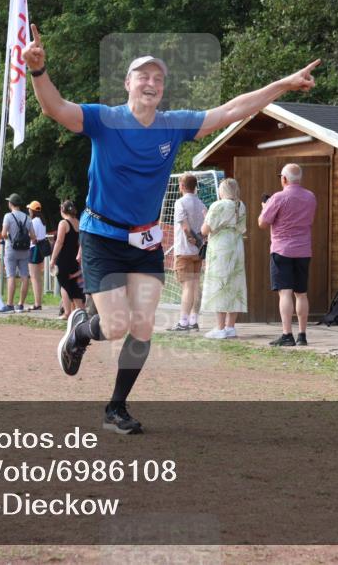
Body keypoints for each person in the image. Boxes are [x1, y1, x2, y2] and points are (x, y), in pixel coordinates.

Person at [25, 22, 319, 434]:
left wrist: (281, 86)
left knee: (142, 328)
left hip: (145, 240)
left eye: (159, 78)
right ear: (127, 83)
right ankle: (80, 331)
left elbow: (232, 110)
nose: (151, 83)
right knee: (114, 326)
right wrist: (38, 72)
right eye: (143, 76)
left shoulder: (174, 124)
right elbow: (55, 108)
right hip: (103, 236)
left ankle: (116, 408)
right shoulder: (104, 119)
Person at [258, 163, 317, 347]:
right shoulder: (310, 197)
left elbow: (263, 222)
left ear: (284, 179)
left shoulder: (278, 197)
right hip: (303, 249)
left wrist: (264, 207)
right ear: (300, 178)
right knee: (301, 293)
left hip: (282, 249)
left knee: (285, 292)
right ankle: (302, 335)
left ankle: (286, 334)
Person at [200, 178, 248, 339]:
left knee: (219, 284)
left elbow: (205, 230)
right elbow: (241, 228)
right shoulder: (241, 205)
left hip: (220, 247)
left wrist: (206, 217)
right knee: (234, 284)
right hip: (236, 245)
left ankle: (219, 328)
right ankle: (230, 327)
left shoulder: (218, 205)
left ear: (223, 191)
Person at [168, 173, 207, 332]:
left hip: (184, 250)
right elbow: (206, 227)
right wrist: (199, 241)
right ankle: (194, 320)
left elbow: (184, 227)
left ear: (182, 186)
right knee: (196, 286)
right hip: (198, 252)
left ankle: (183, 322)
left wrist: (191, 237)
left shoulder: (180, 203)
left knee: (187, 287)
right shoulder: (202, 204)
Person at [0, 193, 35, 312]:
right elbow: (33, 236)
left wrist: (10, 237)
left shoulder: (8, 216)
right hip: (25, 250)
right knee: (25, 276)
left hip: (11, 249)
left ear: (11, 204)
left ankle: (9, 304)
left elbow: (4, 234)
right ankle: (20, 304)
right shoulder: (28, 218)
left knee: (11, 276)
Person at [51, 200, 86, 319]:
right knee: (75, 286)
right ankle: (80, 311)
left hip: (63, 259)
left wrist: (53, 259)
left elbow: (59, 242)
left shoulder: (63, 223)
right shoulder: (78, 222)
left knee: (64, 285)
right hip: (75, 258)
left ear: (62, 210)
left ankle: (67, 313)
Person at [27, 200, 48, 311]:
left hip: (34, 249)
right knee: (38, 278)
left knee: (34, 278)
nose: (28, 210)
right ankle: (38, 302)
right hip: (40, 249)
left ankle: (37, 304)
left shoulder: (33, 221)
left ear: (33, 210)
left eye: (29, 209)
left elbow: (32, 237)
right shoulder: (42, 221)